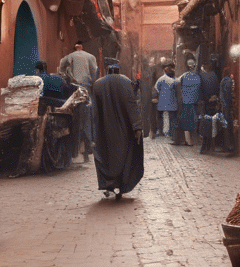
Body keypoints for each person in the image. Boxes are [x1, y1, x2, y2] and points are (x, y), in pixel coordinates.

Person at [91, 63, 143, 199]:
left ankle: (108, 184)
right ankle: (122, 184)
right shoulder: (126, 83)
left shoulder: (97, 85)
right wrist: (137, 126)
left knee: (105, 157)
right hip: (124, 130)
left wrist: (92, 131)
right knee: (124, 155)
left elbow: (94, 111)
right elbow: (132, 106)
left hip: (103, 131)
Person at [59, 41, 99, 157]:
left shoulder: (70, 56)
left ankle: (74, 145)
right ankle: (89, 142)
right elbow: (94, 71)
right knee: (88, 114)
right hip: (86, 87)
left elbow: (61, 65)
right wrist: (92, 82)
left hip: (74, 88)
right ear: (82, 47)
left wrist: (64, 76)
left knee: (73, 114)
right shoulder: (90, 56)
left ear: (75, 47)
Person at [177, 58, 202, 147]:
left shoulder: (184, 76)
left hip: (186, 102)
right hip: (195, 102)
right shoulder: (198, 77)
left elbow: (176, 81)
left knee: (185, 121)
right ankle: (193, 139)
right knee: (194, 120)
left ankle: (188, 141)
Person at [154, 65, 178, 139]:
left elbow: (156, 88)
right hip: (171, 101)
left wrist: (160, 93)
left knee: (165, 117)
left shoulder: (161, 79)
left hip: (163, 101)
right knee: (170, 117)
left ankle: (165, 131)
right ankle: (168, 132)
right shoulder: (173, 80)